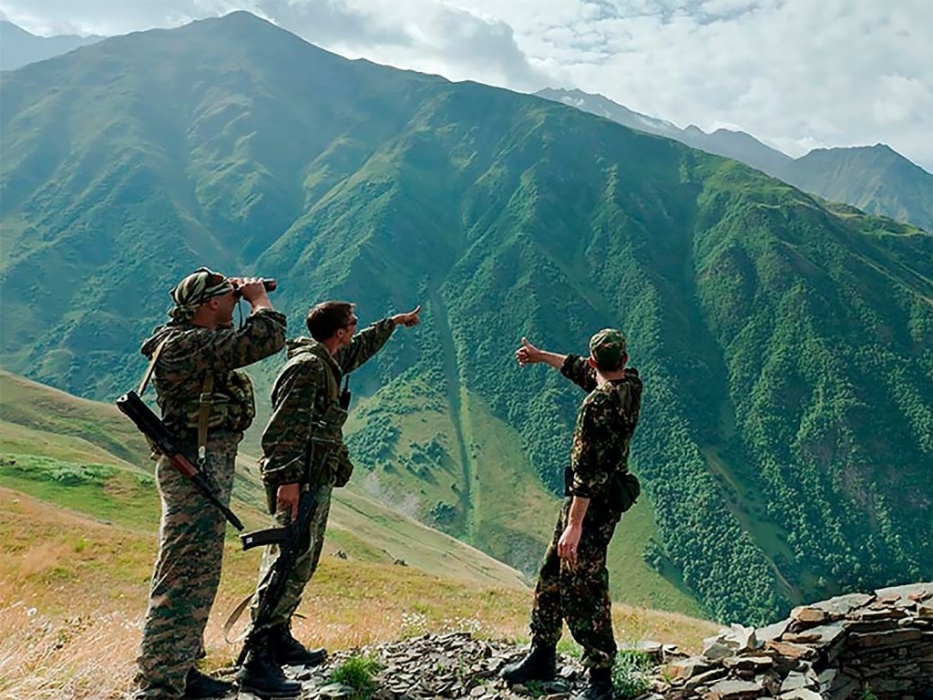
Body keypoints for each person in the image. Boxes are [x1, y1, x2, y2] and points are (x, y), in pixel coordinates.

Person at [236, 300, 421, 697]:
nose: (356, 327)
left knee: (303, 558)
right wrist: (287, 481)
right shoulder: (307, 368)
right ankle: (257, 659)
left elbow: (360, 349)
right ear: (339, 331)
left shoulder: (329, 359)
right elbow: (284, 427)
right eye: (352, 323)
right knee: (286, 562)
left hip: (314, 477)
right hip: (298, 482)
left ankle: (279, 636)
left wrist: (392, 322)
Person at [133, 268, 286, 700]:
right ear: (209, 305)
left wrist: (240, 295)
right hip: (192, 470)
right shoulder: (184, 344)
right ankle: (156, 685)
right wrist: (257, 298)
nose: (234, 301)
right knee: (182, 575)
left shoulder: (195, 341)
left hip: (206, 465)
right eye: (227, 297)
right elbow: (265, 337)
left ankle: (181, 670)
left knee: (200, 573)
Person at [501, 329, 643, 700]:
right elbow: (581, 368)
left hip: (591, 507)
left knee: (585, 584)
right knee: (552, 572)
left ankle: (601, 678)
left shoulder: (596, 405)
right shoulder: (631, 384)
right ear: (624, 360)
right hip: (598, 501)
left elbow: (586, 471)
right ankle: (542, 653)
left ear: (597, 362)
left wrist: (575, 526)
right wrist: (540, 355)